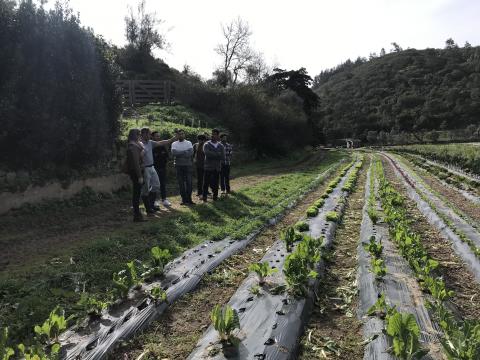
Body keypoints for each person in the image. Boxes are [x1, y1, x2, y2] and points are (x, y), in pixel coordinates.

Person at [140, 127, 175, 214]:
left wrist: (173, 139)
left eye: (150, 133)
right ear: (143, 134)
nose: (149, 135)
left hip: (152, 167)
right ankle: (148, 209)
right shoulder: (140, 144)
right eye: (148, 133)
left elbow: (161, 142)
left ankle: (151, 205)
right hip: (145, 168)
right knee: (145, 189)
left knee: (156, 185)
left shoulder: (150, 143)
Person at [126, 128, 146, 222]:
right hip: (136, 172)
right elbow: (135, 163)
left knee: (137, 193)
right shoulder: (132, 146)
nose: (140, 136)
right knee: (136, 194)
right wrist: (140, 176)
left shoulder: (136, 145)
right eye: (139, 134)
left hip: (137, 171)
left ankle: (137, 214)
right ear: (136, 135)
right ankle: (137, 215)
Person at [171, 129, 195, 205]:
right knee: (181, 183)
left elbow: (190, 153)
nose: (181, 135)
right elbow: (174, 153)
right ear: (177, 135)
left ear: (184, 135)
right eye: (179, 134)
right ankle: (184, 200)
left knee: (189, 183)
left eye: (182, 134)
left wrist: (179, 154)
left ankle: (189, 199)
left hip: (188, 165)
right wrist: (185, 152)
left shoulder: (189, 143)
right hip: (178, 166)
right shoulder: (174, 143)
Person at [202, 129, 225, 202]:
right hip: (208, 167)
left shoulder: (221, 145)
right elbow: (207, 154)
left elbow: (223, 156)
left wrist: (214, 154)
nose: (213, 135)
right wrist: (217, 154)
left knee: (216, 183)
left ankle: (215, 197)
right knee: (206, 183)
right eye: (212, 134)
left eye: (215, 134)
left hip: (217, 167)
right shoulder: (206, 144)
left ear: (218, 136)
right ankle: (204, 198)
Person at [151, 131, 171, 206]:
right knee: (154, 185)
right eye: (156, 136)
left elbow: (166, 157)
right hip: (154, 169)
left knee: (163, 184)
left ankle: (164, 199)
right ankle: (154, 200)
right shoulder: (151, 147)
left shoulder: (162, 146)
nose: (158, 137)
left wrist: (167, 167)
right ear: (152, 137)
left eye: (159, 136)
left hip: (162, 168)